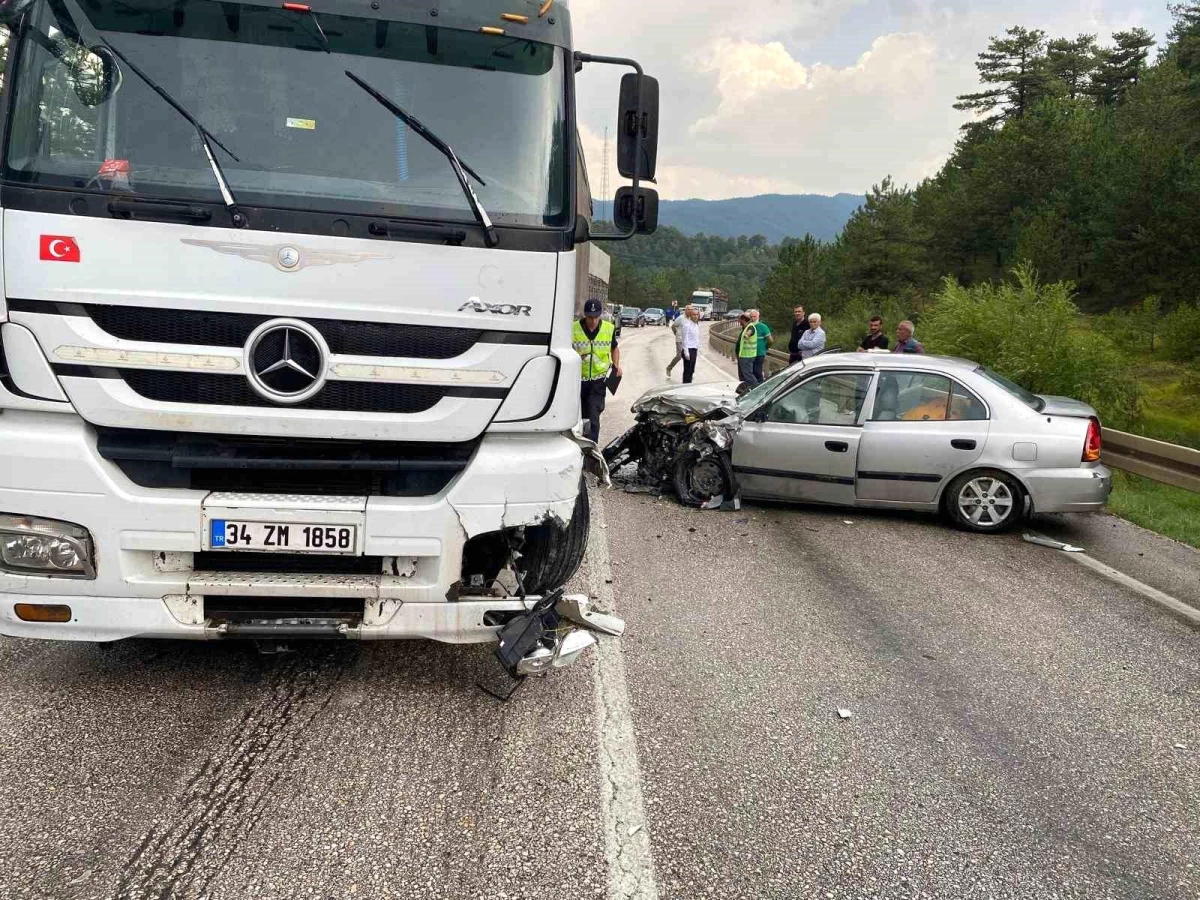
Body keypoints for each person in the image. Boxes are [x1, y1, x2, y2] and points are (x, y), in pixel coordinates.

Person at [572, 298, 621, 444]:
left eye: (596, 317)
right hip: (577, 380)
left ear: (600, 314)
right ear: (584, 315)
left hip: (598, 381)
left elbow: (614, 348)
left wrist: (616, 365)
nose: (593, 321)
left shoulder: (608, 328)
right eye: (590, 317)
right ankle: (577, 445)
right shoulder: (573, 329)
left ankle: (592, 450)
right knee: (578, 417)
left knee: (594, 416)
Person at [748, 309, 773, 384]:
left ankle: (760, 387)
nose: (753, 319)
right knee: (751, 372)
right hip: (750, 353)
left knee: (757, 371)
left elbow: (770, 340)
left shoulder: (763, 326)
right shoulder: (749, 327)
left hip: (759, 353)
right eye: (751, 317)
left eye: (754, 317)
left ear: (758, 317)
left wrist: (765, 348)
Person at [680, 305, 701, 384]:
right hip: (688, 349)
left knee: (692, 370)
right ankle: (685, 385)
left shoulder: (696, 325)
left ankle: (689, 384)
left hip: (694, 349)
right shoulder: (687, 325)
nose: (695, 316)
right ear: (690, 316)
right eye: (694, 315)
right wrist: (686, 352)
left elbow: (696, 339)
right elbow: (684, 339)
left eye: (697, 315)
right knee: (687, 370)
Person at [735, 312, 758, 385]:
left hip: (747, 356)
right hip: (743, 356)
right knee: (744, 377)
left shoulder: (750, 327)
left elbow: (748, 333)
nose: (739, 321)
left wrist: (746, 335)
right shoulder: (744, 328)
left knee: (748, 376)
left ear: (743, 319)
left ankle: (756, 390)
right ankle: (746, 391)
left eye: (739, 320)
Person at [666, 306, 686, 377]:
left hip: (687, 341)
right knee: (679, 356)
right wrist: (676, 334)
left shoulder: (692, 319)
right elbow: (673, 326)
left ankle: (688, 373)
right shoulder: (681, 318)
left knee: (688, 357)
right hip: (679, 339)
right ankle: (669, 367)